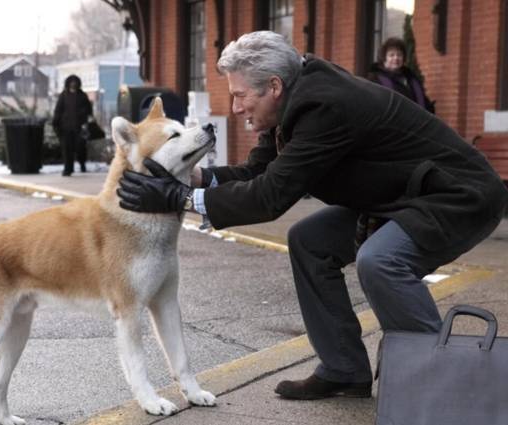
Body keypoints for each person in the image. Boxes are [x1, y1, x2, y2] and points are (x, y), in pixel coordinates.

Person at [116, 31, 508, 400]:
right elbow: (259, 173)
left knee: (381, 261)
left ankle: (446, 381)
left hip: (458, 196)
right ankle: (344, 369)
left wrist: (179, 198)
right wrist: (193, 177)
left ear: (273, 86)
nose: (235, 109)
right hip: (402, 197)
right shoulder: (291, 99)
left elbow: (270, 196)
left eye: (239, 96)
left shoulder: (325, 106)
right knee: (309, 241)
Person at [367, 37, 435, 114]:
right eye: (391, 55)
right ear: (384, 58)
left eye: (399, 55)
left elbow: (423, 101)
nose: (396, 58)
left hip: (417, 122)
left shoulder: (412, 78)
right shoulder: (375, 79)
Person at [52, 75, 93, 176]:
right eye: (71, 82)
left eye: (75, 82)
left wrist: (84, 118)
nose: (73, 84)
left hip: (79, 127)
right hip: (66, 127)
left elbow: (89, 110)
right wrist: (55, 122)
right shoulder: (63, 96)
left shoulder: (82, 96)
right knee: (67, 149)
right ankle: (68, 169)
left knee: (80, 148)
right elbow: (58, 110)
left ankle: (82, 163)